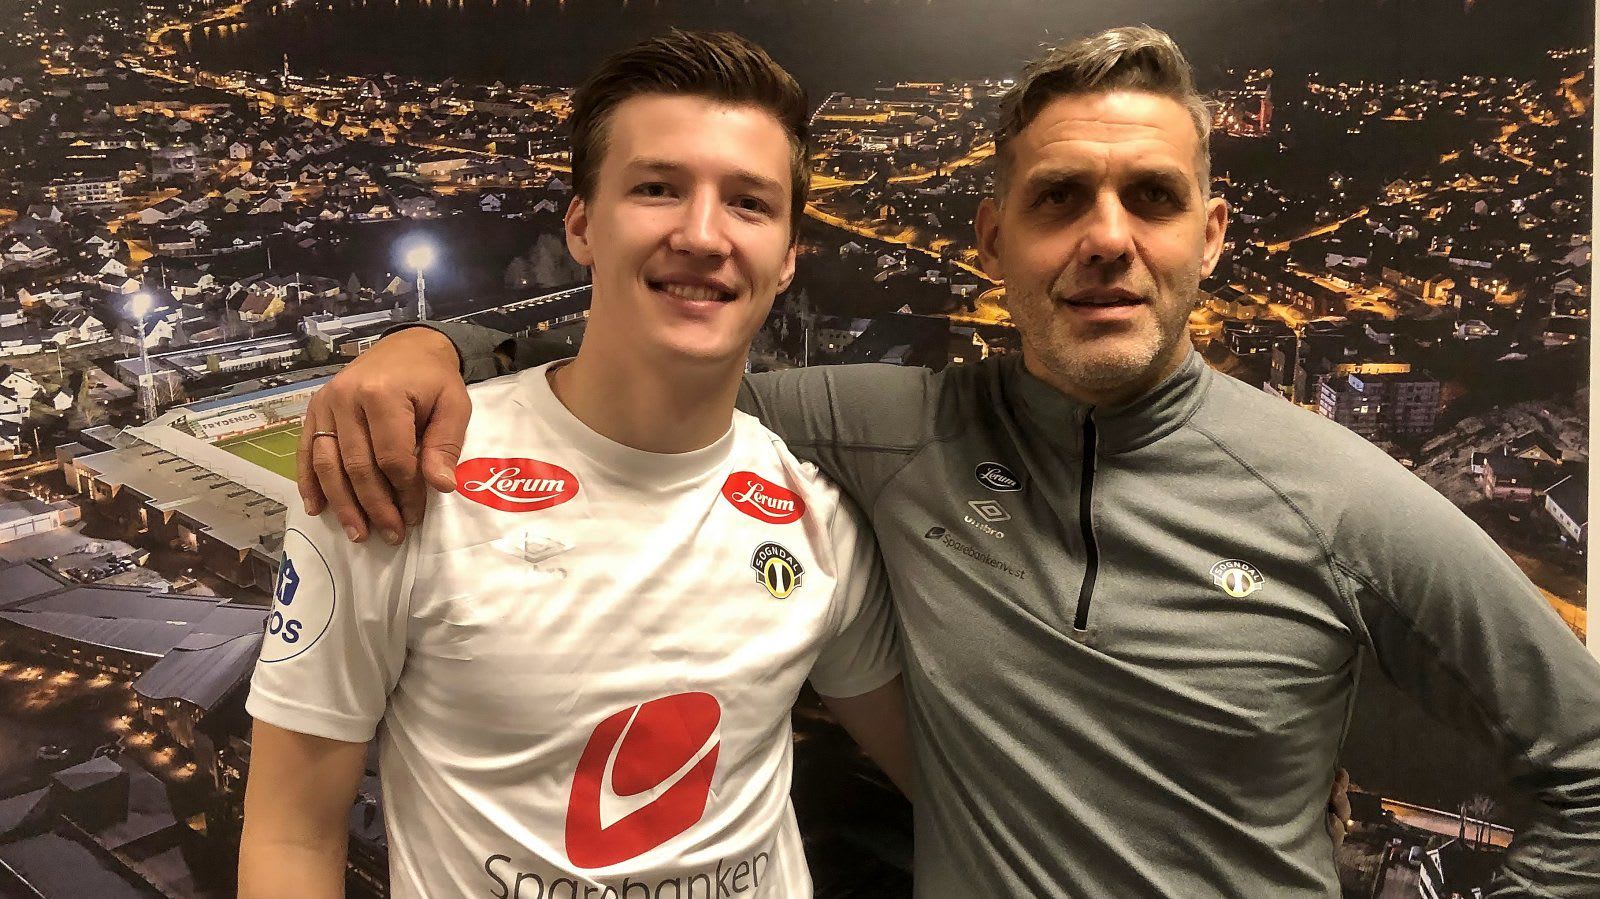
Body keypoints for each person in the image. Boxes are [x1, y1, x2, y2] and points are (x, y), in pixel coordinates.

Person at [298, 25, 1600, 897]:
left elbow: (1586, 764)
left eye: (1150, 198)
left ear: (1209, 237)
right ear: (992, 240)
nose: (1106, 239)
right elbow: (659, 369)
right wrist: (431, 344)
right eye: (1058, 198)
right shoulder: (890, 424)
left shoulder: (1342, 497)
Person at [241, 31, 913, 899]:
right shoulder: (403, 474)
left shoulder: (817, 514)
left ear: (787, 257)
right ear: (583, 226)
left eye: (749, 203)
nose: (702, 234)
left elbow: (950, 777)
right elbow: (292, 835)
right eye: (657, 188)